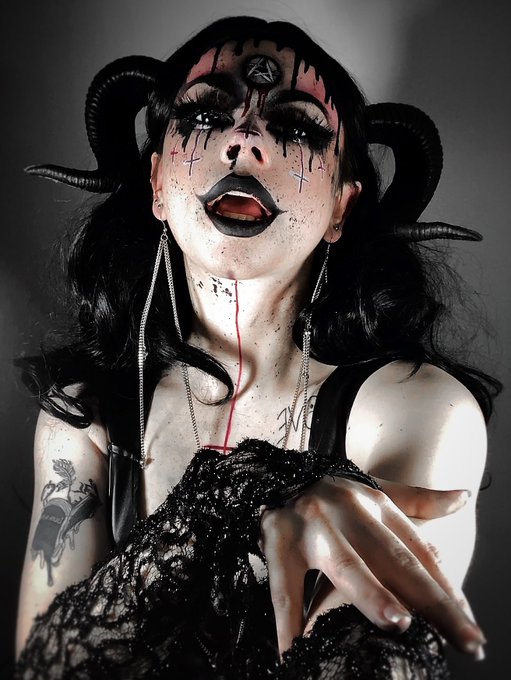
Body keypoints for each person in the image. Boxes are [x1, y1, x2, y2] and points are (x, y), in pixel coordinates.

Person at [14, 15, 499, 679]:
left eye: (297, 126)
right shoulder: (86, 414)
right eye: (206, 114)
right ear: (157, 184)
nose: (243, 139)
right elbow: (47, 669)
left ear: (341, 207)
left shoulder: (417, 412)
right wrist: (234, 499)